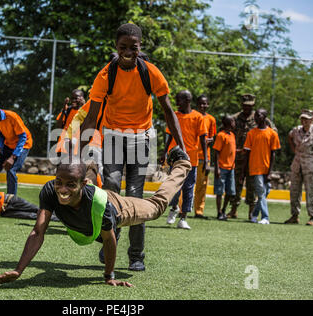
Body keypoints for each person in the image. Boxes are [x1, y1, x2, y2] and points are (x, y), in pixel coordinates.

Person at [0, 146, 191, 287]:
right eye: (59, 182)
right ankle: (92, 163)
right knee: (82, 175)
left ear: (82, 184)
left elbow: (109, 240)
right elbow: (38, 231)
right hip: (90, 200)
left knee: (155, 207)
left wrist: (109, 276)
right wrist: (18, 270)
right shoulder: (50, 190)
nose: (62, 190)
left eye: (70, 185)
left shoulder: (100, 204)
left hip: (117, 207)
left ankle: (181, 163)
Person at [78, 23, 186, 272]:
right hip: (114, 135)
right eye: (123, 47)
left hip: (141, 138)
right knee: (113, 189)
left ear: (140, 47)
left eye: (133, 47)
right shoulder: (106, 75)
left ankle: (136, 255)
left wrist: (181, 147)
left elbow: (168, 110)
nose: (128, 51)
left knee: (135, 197)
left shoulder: (151, 72)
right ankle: (109, 244)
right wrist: (80, 155)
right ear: (116, 48)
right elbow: (92, 117)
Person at [161, 90, 208, 230]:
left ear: (187, 100)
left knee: (188, 188)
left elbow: (203, 139)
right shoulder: (174, 115)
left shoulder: (198, 117)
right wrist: (164, 153)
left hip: (191, 159)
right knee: (175, 186)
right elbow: (169, 135)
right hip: (175, 158)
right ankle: (174, 207)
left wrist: (205, 159)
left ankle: (183, 218)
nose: (176, 103)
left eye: (179, 100)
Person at [228, 93, 277, 220]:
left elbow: (272, 132)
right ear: (241, 105)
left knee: (252, 186)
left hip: (254, 158)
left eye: (249, 106)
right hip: (237, 157)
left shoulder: (261, 118)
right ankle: (233, 209)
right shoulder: (234, 118)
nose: (247, 108)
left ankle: (251, 212)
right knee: (236, 184)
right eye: (244, 105)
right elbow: (226, 133)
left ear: (253, 105)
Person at [285, 109, 313, 226]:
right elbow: (289, 136)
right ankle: (294, 215)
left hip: (311, 165)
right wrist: (294, 149)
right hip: (297, 164)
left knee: (312, 191)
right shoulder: (296, 130)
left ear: (312, 120)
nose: (304, 121)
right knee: (294, 191)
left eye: (307, 119)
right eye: (302, 118)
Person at [241, 109, 281, 225]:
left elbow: (273, 153)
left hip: (266, 168)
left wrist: (270, 171)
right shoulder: (251, 133)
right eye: (255, 116)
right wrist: (244, 171)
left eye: (258, 115)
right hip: (255, 168)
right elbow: (247, 153)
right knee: (261, 192)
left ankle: (254, 214)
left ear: (264, 117)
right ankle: (265, 217)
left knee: (265, 191)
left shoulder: (272, 134)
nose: (255, 118)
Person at [193, 94, 216, 219]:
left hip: (204, 156)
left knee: (202, 185)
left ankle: (199, 211)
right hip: (192, 155)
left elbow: (212, 136)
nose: (203, 106)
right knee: (188, 184)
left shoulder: (211, 119)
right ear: (197, 104)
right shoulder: (193, 116)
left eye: (205, 103)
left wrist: (209, 140)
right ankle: (181, 208)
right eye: (201, 103)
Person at [213, 115, 236, 220]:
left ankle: (223, 210)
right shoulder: (220, 135)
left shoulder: (232, 135)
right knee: (219, 191)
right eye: (233, 121)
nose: (234, 123)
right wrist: (217, 168)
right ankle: (219, 212)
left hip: (231, 168)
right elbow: (217, 152)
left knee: (230, 191)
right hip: (222, 167)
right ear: (228, 123)